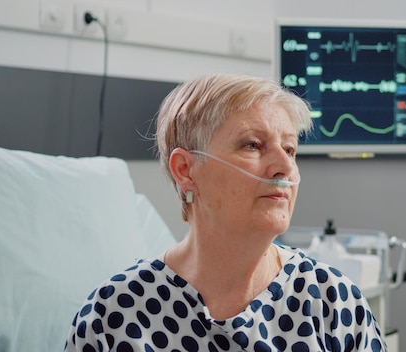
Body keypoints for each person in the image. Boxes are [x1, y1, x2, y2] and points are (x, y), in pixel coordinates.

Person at [64, 73, 386, 352]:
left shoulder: (334, 304)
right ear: (186, 170)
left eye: (289, 149)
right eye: (253, 145)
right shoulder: (113, 319)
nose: (285, 167)